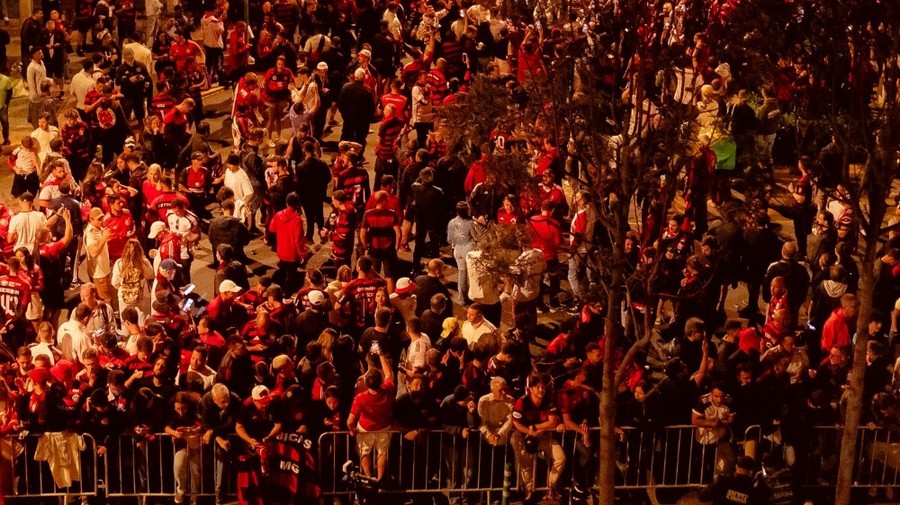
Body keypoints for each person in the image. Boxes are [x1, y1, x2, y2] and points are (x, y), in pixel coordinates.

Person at [347, 345, 394, 481]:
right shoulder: (388, 389)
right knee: (382, 453)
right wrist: (381, 355)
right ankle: (379, 479)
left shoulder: (360, 398)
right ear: (380, 381)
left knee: (364, 453)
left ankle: (368, 478)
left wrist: (352, 430)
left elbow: (350, 421)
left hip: (365, 428)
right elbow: (389, 373)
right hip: (384, 428)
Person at [269, 192, 309, 295]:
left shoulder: (278, 215)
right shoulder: (297, 220)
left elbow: (271, 228)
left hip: (281, 249)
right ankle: (287, 293)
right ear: (297, 204)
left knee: (282, 270)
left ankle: (279, 291)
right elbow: (297, 240)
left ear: (286, 203)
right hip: (292, 252)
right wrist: (302, 254)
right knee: (291, 274)